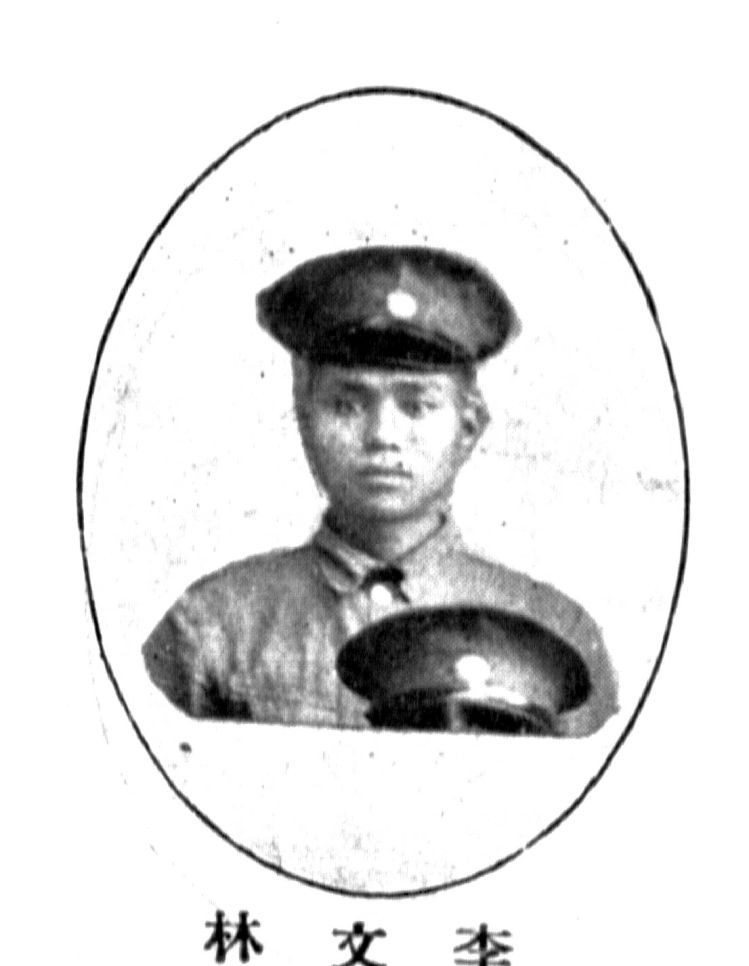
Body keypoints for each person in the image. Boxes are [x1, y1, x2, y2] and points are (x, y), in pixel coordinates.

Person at [142, 246, 618, 736]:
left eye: (417, 406)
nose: (383, 436)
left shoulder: (557, 641)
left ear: (469, 426)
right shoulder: (212, 629)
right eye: (346, 405)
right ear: (304, 418)